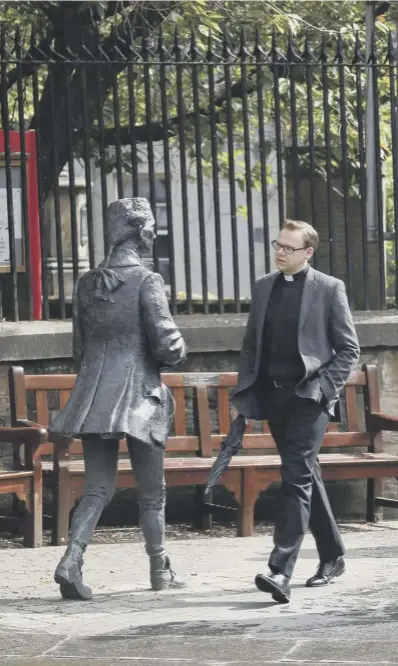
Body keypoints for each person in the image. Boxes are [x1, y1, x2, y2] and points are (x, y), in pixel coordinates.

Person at [51, 197, 187, 601]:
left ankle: (71, 560)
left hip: (93, 396)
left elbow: (78, 348)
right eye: (149, 226)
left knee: (96, 487)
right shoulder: (146, 281)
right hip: (139, 398)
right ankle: (158, 567)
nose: (153, 234)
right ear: (137, 231)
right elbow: (166, 344)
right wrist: (180, 347)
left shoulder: (87, 283)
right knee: (152, 489)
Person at [232, 219, 360, 604]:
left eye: (288, 247)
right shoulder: (263, 286)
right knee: (305, 475)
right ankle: (334, 555)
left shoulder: (329, 288)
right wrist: (248, 394)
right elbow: (252, 346)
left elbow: (349, 350)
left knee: (295, 479)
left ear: (308, 252)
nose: (280, 252)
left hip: (309, 399)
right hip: (274, 398)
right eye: (278, 245)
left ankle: (279, 570)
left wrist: (322, 389)